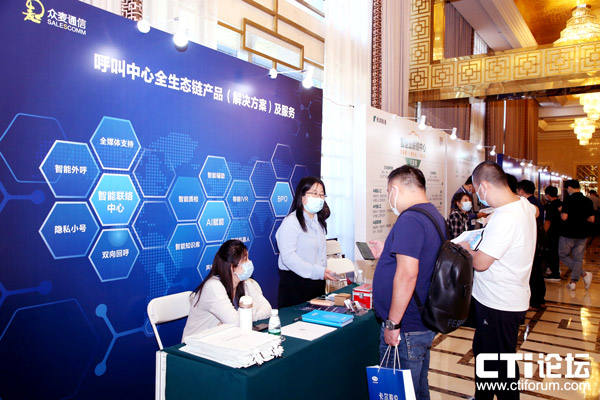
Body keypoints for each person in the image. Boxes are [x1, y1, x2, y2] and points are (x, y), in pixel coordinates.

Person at [457, 161, 536, 400]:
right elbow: (535, 211)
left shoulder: (506, 217)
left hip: (499, 303)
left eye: (477, 191)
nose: (477, 197)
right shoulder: (522, 204)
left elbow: (481, 262)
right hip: (503, 298)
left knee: (500, 366)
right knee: (484, 354)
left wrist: (465, 249)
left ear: (483, 186)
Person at [371, 165, 445, 400]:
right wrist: (387, 251)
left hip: (407, 326)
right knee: (417, 388)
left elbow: (407, 275)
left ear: (395, 189)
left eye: (388, 192)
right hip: (421, 320)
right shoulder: (433, 215)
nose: (389, 198)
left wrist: (393, 323)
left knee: (400, 392)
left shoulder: (410, 219)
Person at [182, 240, 272, 339]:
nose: (249, 263)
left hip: (223, 339)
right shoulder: (213, 287)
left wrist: (245, 315)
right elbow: (237, 323)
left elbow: (268, 310)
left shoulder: (246, 283)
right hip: (197, 343)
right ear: (231, 267)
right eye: (245, 260)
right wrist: (250, 310)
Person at [276, 176, 335, 308]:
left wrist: (321, 272)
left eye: (321, 195)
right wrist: (317, 271)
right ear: (302, 197)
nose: (319, 198)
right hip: (296, 286)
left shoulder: (318, 222)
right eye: (314, 193)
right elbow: (288, 257)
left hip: (317, 283)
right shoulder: (291, 222)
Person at [559, 180, 595, 291]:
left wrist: (561, 211)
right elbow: (591, 219)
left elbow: (564, 217)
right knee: (578, 259)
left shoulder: (568, 200)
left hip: (568, 232)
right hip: (583, 233)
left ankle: (583, 274)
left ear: (570, 188)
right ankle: (573, 282)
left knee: (563, 255)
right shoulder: (588, 201)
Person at [516, 179, 546, 309]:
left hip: (533, 240)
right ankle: (539, 299)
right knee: (537, 270)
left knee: (533, 272)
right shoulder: (537, 202)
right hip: (538, 240)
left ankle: (535, 300)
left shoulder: (528, 204)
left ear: (521, 191)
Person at [543, 186, 563, 282]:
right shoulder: (561, 203)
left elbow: (548, 221)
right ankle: (556, 270)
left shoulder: (550, 206)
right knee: (556, 252)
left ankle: (555, 273)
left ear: (548, 195)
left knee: (552, 252)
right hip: (561, 232)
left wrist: (544, 232)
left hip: (552, 233)